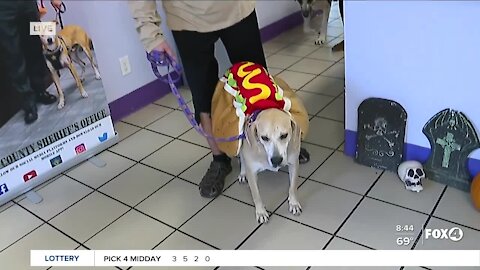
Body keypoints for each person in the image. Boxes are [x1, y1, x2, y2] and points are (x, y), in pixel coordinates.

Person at [128, 1, 310, 198]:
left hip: (237, 9)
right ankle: (220, 160)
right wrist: (150, 35)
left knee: (261, 88)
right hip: (186, 18)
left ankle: (283, 142)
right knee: (203, 97)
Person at [0, 0, 62, 124]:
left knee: (35, 45)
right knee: (13, 55)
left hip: (27, 4)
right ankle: (28, 102)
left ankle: (40, 90)